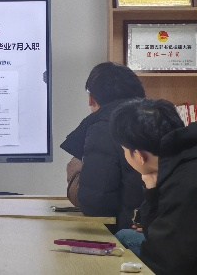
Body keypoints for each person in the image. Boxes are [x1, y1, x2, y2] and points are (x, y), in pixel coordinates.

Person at [110, 98, 197, 274]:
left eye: (124, 150)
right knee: (125, 236)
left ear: (139, 156)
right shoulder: (188, 155)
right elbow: (158, 235)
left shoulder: (184, 184)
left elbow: (162, 262)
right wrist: (152, 192)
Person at [60, 62, 145, 232]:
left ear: (91, 98)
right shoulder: (162, 118)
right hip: (168, 232)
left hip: (127, 234)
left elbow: (95, 205)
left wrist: (75, 173)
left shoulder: (104, 128)